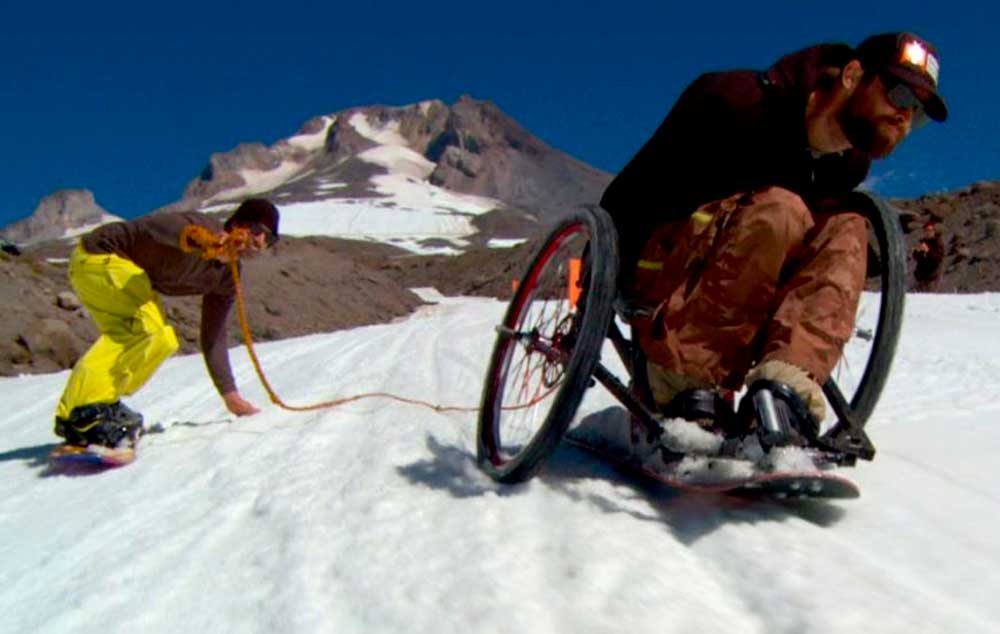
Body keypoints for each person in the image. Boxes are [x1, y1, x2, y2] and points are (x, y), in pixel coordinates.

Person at [600, 32, 948, 447]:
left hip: (747, 288)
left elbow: (811, 253)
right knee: (782, 208)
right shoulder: (734, 102)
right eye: (899, 95)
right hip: (658, 276)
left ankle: (782, 393)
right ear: (853, 75)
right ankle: (681, 382)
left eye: (919, 114)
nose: (905, 118)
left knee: (847, 225)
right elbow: (633, 193)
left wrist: (890, 262)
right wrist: (604, 277)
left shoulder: (845, 167)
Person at [53, 198, 281, 448]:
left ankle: (90, 409)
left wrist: (230, 397)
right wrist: (199, 240)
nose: (260, 242)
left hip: (116, 274)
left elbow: (213, 336)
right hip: (102, 254)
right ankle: (87, 411)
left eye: (269, 239)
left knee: (162, 340)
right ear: (238, 224)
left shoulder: (227, 278)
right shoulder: (201, 226)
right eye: (258, 231)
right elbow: (155, 227)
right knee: (146, 331)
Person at [912, 220, 945, 291]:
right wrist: (917, 252)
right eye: (926, 231)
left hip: (932, 276)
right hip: (921, 276)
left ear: (934, 231)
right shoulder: (923, 242)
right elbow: (917, 258)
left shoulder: (937, 242)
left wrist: (928, 251)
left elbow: (938, 258)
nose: (928, 233)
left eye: (930, 230)